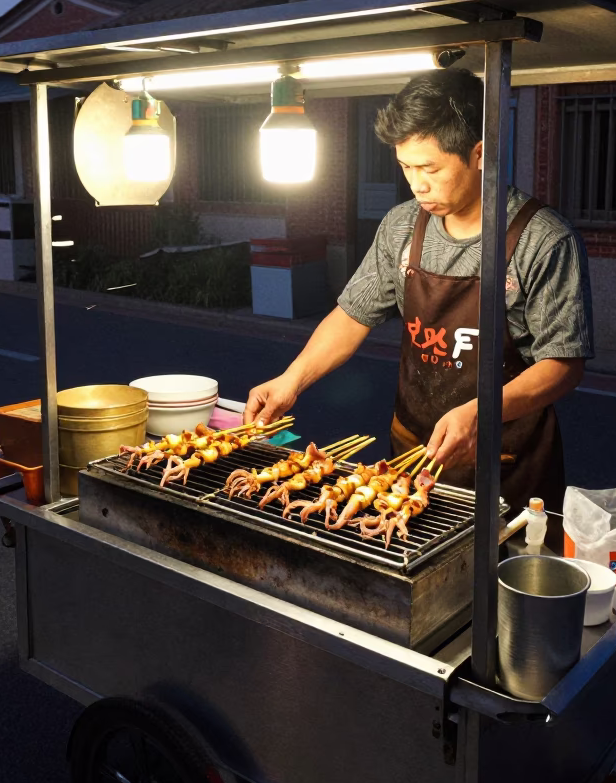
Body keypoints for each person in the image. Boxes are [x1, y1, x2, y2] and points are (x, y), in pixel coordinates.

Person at [243, 67, 593, 514]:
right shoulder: (402, 225)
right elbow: (352, 316)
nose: (416, 184)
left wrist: (480, 413)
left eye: (430, 168)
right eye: (406, 166)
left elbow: (563, 364)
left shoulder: (542, 239)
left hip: (505, 456)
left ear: (479, 153)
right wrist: (290, 381)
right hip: (412, 448)